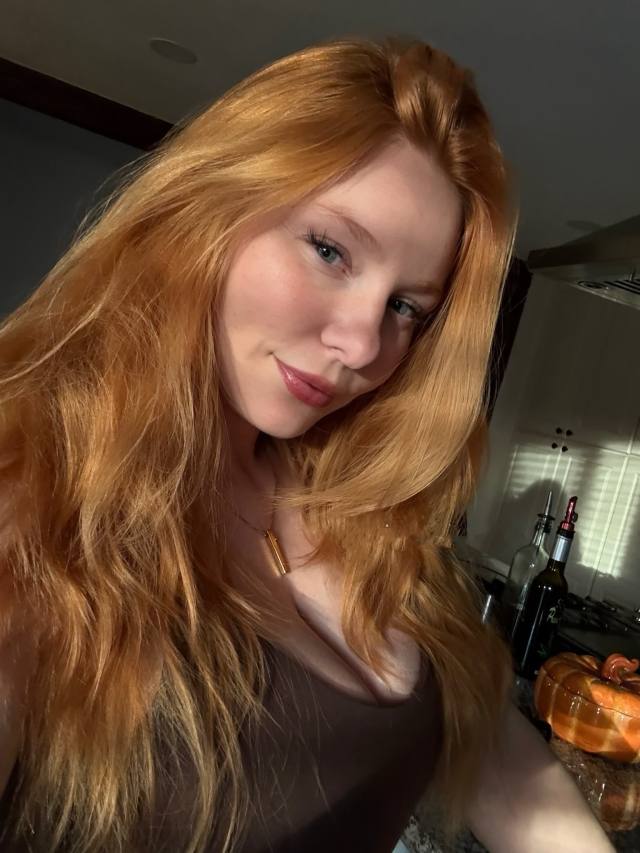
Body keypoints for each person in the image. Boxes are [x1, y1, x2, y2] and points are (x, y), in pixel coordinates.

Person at [0, 36, 613, 853]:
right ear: (205, 210)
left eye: (407, 307)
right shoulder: (34, 490)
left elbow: (503, 765)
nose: (364, 344)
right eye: (329, 249)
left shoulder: (352, 503)